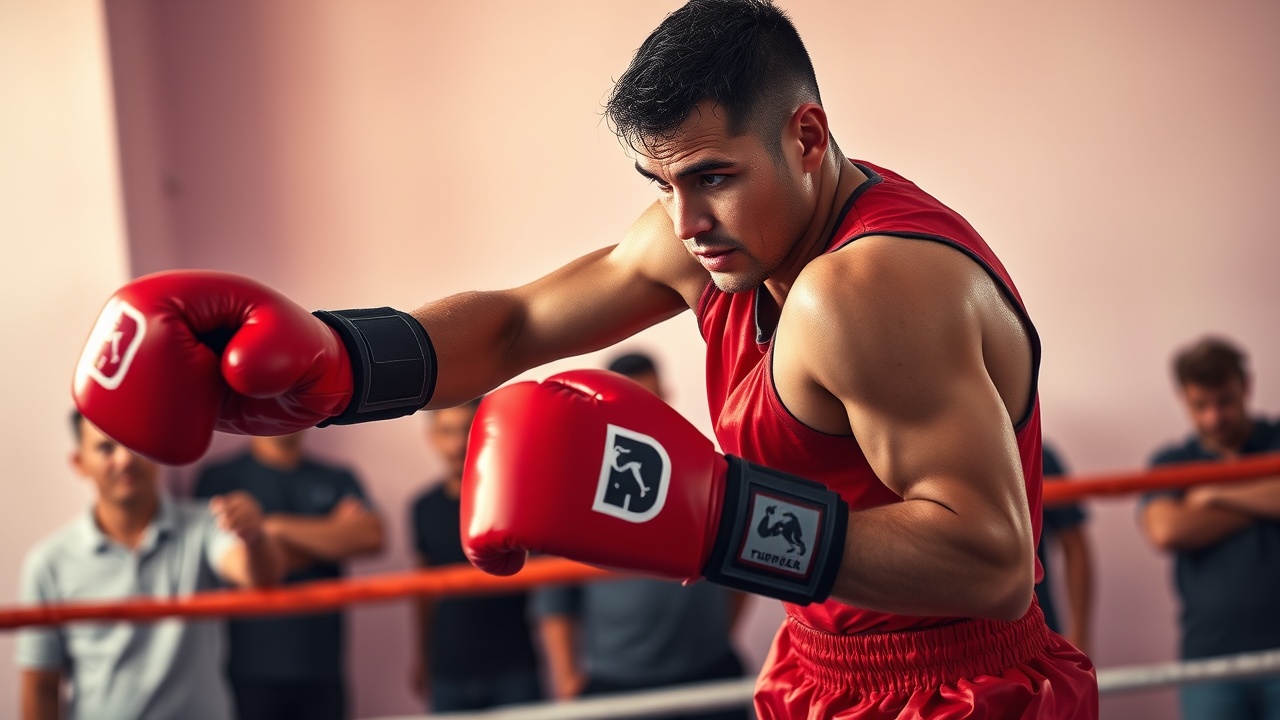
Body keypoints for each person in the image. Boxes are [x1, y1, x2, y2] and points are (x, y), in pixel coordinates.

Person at [71, 1, 1098, 715]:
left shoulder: (866, 290)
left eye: (711, 176)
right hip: (818, 661)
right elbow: (518, 324)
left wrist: (715, 518)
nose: (683, 221)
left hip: (958, 689)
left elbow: (992, 564)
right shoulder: (720, 240)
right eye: (659, 183)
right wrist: (340, 363)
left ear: (806, 135)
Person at [16, 411, 283, 720]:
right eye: (105, 448)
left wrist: (254, 536)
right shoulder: (48, 563)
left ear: (158, 449)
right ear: (79, 463)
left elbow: (260, 578)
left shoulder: (207, 524)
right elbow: (40, 684)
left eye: (136, 443)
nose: (124, 459)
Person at [532, 352, 750, 719]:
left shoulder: (707, 468)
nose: (645, 415)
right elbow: (553, 595)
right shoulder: (578, 487)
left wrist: (720, 632)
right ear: (606, 410)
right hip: (617, 681)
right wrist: (567, 679)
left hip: (709, 670)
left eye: (653, 401)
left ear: (667, 397)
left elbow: (740, 561)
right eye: (634, 404)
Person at [192, 431, 383, 720]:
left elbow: (371, 536)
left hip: (322, 666)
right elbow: (225, 560)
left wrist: (272, 527)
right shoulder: (221, 478)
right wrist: (330, 534)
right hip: (249, 668)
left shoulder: (336, 476)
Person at [1140, 336, 1280, 720]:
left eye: (1225, 401)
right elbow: (1166, 530)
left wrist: (1214, 493)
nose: (1214, 418)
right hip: (1209, 663)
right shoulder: (1172, 460)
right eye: (1200, 405)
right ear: (1183, 399)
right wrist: (1264, 500)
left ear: (1246, 386)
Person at [408, 398, 542, 712]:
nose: (458, 443)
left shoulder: (513, 495)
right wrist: (422, 654)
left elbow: (545, 582)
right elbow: (422, 590)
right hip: (448, 667)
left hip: (514, 661)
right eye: (448, 432)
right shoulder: (423, 507)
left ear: (483, 433)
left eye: (466, 430)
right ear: (433, 438)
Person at [1036, 443, 1094, 656]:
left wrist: (1080, 633)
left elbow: (1074, 545)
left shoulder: (1038, 454)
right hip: (961, 637)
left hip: (1037, 629)